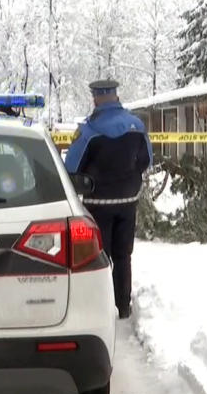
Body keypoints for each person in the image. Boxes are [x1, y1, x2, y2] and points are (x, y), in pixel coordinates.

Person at [65, 79, 153, 319]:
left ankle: (99, 307)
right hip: (128, 201)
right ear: (115, 96)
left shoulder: (88, 130)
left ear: (96, 98)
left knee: (98, 256)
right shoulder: (136, 126)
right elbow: (147, 160)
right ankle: (123, 305)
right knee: (123, 255)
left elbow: (71, 167)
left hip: (97, 204)